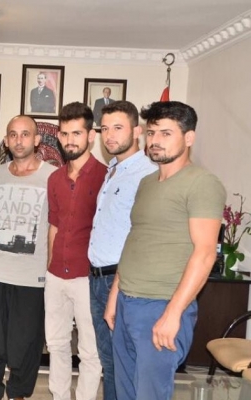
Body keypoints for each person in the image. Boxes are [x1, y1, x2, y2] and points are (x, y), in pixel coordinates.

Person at [105, 101, 226, 400]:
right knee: (124, 393)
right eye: (151, 133)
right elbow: (136, 239)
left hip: (162, 305)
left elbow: (205, 253)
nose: (155, 141)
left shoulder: (202, 183)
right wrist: (115, 296)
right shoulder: (147, 183)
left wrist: (173, 314)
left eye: (166, 133)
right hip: (127, 303)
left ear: (189, 137)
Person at [0, 115, 55, 400]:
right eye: (13, 135)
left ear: (36, 140)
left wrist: (52, 269)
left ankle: (18, 391)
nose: (19, 140)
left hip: (33, 275)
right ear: (6, 140)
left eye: (25, 134)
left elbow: (55, 227)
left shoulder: (52, 177)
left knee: (26, 340)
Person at [87, 101, 157, 400]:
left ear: (137, 131)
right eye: (105, 129)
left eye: (118, 128)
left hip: (120, 281)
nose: (109, 135)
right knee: (110, 362)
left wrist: (116, 288)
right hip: (97, 278)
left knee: (124, 364)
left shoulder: (147, 174)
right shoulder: (114, 170)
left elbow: (139, 236)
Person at [45, 102, 106, 400]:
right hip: (56, 274)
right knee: (56, 343)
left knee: (90, 350)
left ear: (91, 135)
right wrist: (49, 267)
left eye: (77, 133)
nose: (70, 140)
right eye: (65, 133)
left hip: (88, 277)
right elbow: (53, 226)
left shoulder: (106, 177)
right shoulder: (54, 178)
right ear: (58, 135)